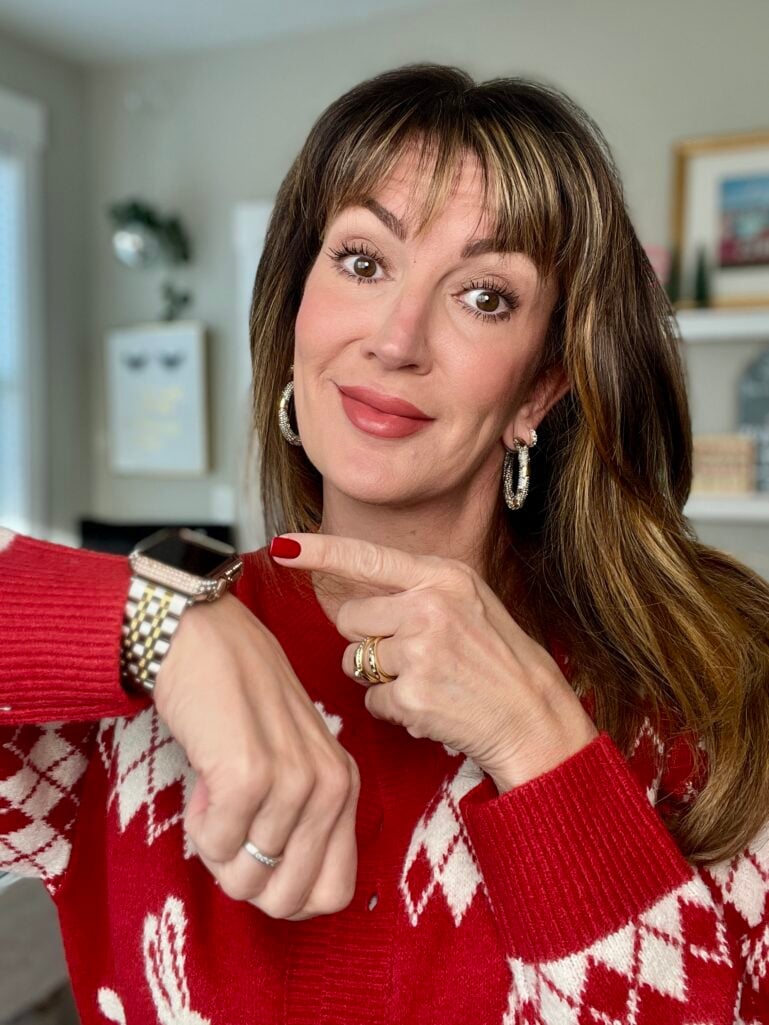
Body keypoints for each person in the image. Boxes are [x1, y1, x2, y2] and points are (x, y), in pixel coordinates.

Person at [1, 61, 768, 1025]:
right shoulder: (119, 704)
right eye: (363, 263)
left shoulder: (705, 692)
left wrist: (539, 747)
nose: (397, 337)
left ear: (538, 388)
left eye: (484, 295)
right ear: (293, 316)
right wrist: (165, 626)